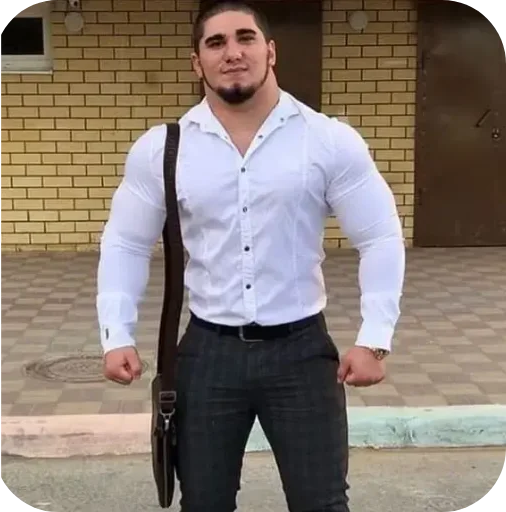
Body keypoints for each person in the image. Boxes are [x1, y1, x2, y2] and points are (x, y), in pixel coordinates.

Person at [96, 1, 405, 511]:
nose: (232, 52)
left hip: (302, 353)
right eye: (215, 43)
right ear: (197, 62)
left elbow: (380, 236)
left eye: (246, 38)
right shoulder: (163, 149)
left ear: (271, 51)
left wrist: (375, 339)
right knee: (205, 502)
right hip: (207, 354)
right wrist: (116, 333)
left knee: (321, 502)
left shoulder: (327, 140)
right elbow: (126, 242)